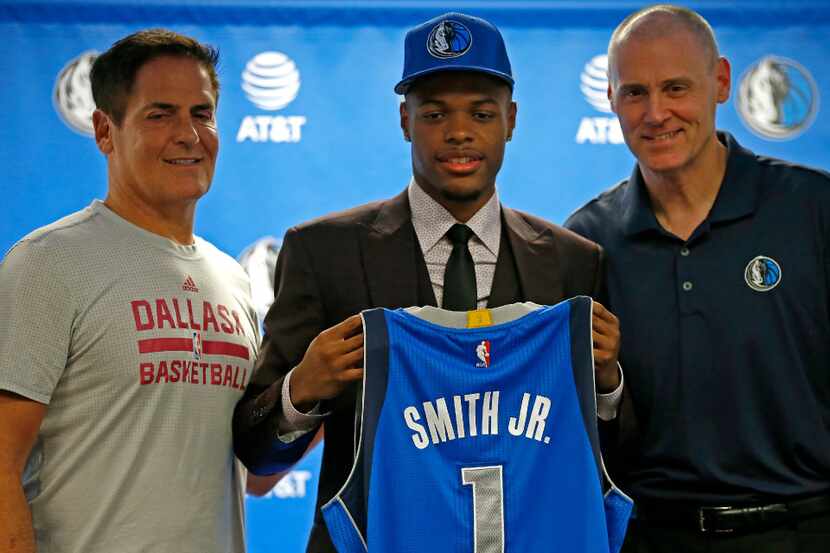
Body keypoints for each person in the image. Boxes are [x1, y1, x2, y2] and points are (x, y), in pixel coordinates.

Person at [234, 12, 623, 553]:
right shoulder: (324, 252)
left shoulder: (572, 262)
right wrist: (302, 390)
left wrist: (606, 387)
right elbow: (256, 452)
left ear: (511, 119)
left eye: (481, 113)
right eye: (435, 113)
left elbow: (607, 456)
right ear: (404, 121)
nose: (459, 132)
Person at [565, 5, 830, 552]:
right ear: (611, 99)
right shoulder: (588, 240)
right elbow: (577, 426)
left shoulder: (813, 209)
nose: (656, 112)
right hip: (650, 537)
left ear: (721, 83)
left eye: (676, 87)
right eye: (635, 92)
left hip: (806, 529)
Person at [0, 30, 259, 553]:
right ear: (104, 130)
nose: (189, 134)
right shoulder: (48, 261)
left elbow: (257, 471)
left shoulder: (232, 278)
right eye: (159, 114)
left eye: (202, 113)